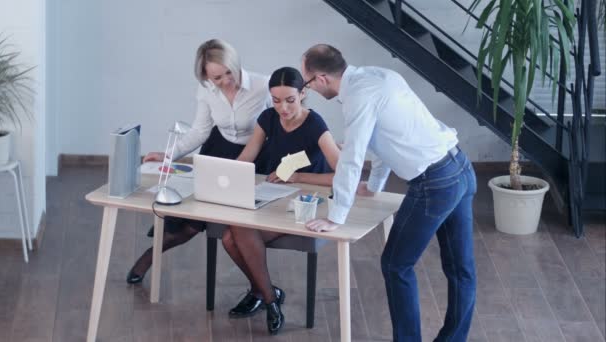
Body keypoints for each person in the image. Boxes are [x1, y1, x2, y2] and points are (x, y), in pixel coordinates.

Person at [301, 44, 477, 342]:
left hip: (435, 183)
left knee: (396, 264)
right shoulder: (378, 76)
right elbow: (382, 138)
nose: (310, 90)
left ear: (321, 79)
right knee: (461, 269)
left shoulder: (357, 97)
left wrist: (336, 215)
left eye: (307, 83)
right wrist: (375, 186)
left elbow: (354, 155)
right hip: (460, 166)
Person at [126, 39, 272, 284]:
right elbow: (200, 131)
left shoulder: (263, 85)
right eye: (217, 78)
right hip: (218, 149)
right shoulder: (205, 90)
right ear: (205, 76)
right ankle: (149, 256)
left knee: (235, 229)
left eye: (229, 72)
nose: (226, 81)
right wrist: (169, 154)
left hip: (255, 156)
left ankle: (260, 289)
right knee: (192, 221)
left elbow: (280, 127)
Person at [221, 66, 340, 335]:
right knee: (230, 237)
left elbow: (341, 176)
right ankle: (268, 294)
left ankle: (265, 296)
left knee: (234, 235)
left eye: (290, 100)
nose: (283, 108)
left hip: (308, 202)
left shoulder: (316, 125)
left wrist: (297, 176)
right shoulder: (268, 118)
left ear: (303, 93)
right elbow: (246, 158)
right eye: (276, 101)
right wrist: (223, 178)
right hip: (274, 195)